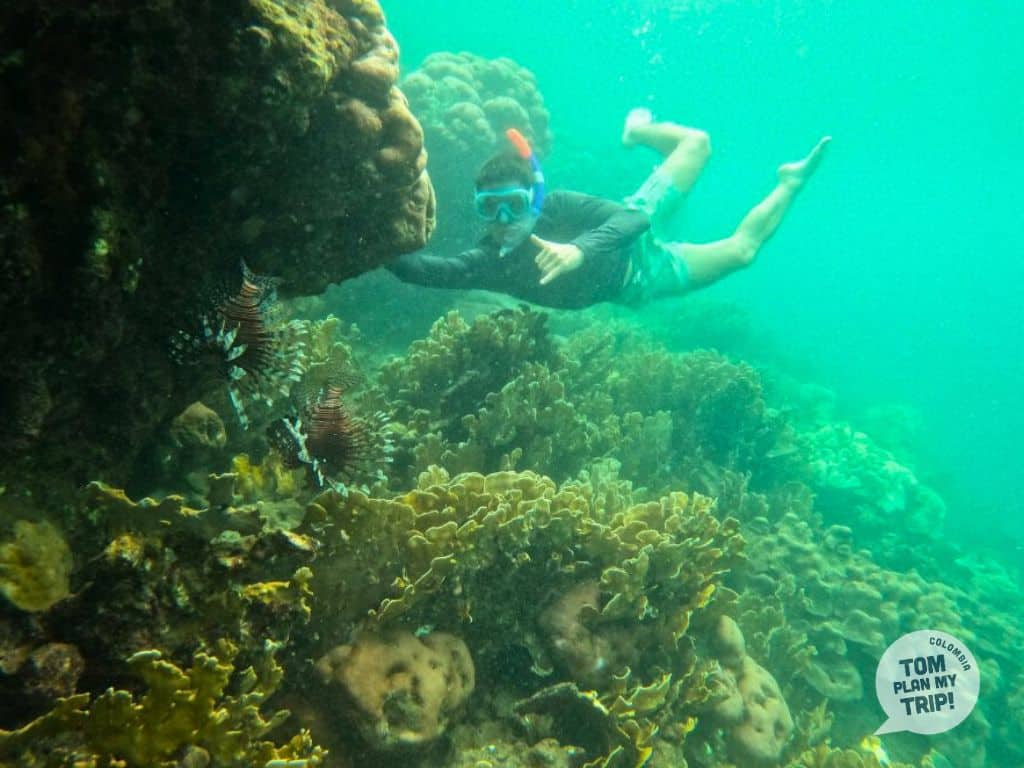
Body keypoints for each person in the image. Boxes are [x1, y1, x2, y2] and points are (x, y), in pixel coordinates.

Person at [388, 109, 830, 309]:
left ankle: (637, 131)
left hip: (631, 226)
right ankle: (792, 181)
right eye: (491, 209)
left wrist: (577, 251)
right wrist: (362, 245)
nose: (504, 221)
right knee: (743, 253)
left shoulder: (559, 206)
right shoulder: (491, 262)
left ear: (535, 200)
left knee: (697, 143)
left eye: (514, 206)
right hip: (640, 278)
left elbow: (636, 220)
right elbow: (428, 271)